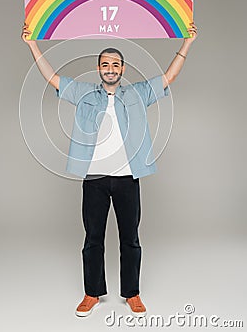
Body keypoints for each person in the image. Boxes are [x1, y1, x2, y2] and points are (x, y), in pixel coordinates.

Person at [21, 22, 198, 317]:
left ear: (123, 70)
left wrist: (188, 42)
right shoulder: (84, 93)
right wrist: (32, 45)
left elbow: (169, 76)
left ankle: (132, 293)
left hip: (128, 179)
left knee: (131, 238)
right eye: (105, 63)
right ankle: (92, 293)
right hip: (95, 180)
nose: (110, 68)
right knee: (93, 238)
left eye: (116, 64)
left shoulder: (139, 93)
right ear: (99, 68)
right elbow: (52, 78)